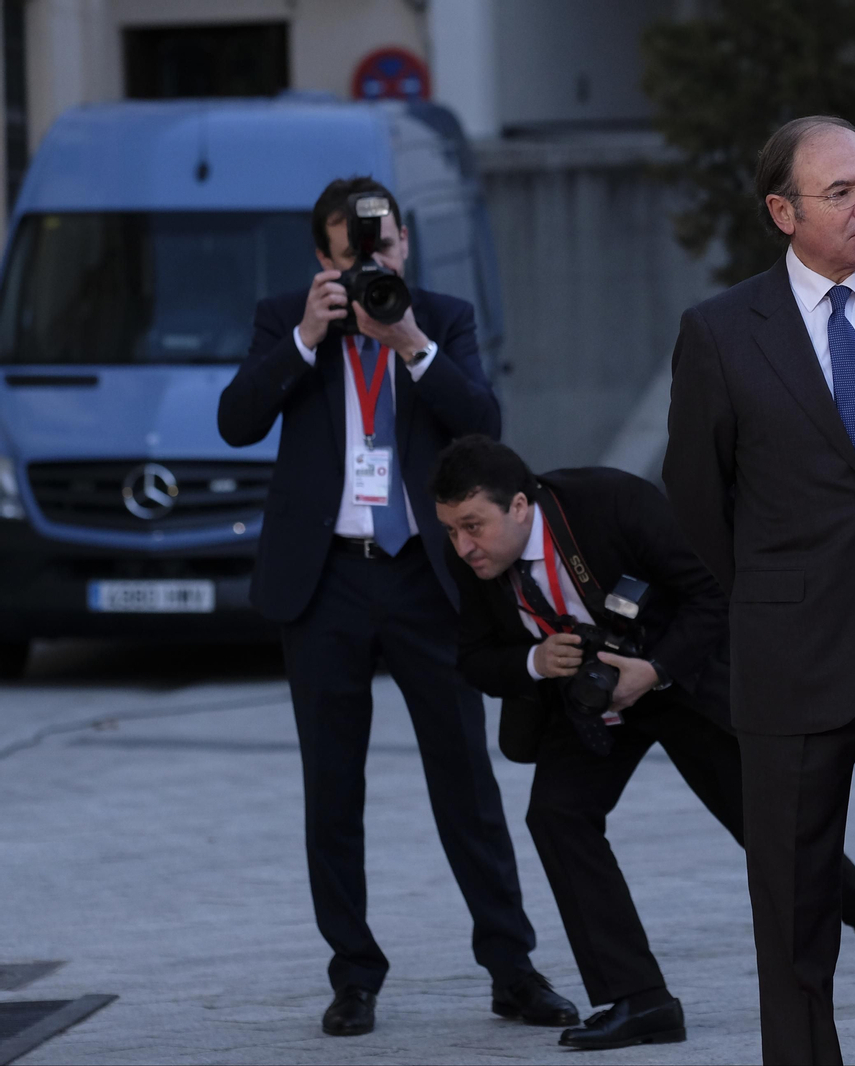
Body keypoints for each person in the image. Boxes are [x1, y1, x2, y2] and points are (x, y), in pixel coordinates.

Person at [217, 176, 575, 1037]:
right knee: (332, 790)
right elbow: (235, 421)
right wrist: (307, 336)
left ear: (404, 244)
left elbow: (485, 421)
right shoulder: (286, 318)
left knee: (466, 782)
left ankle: (512, 968)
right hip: (326, 581)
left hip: (424, 579)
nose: (371, 265)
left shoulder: (440, 319)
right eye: (352, 254)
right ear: (323, 259)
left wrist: (408, 338)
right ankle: (354, 975)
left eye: (383, 248)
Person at [664, 115, 855, 1065]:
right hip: (791, 658)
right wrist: (779, 591)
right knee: (796, 912)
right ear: (782, 211)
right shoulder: (720, 334)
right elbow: (697, 501)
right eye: (841, 192)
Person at [430, 436, 855, 1052]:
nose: (462, 547)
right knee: (557, 815)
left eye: (472, 527)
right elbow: (475, 659)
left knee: (764, 830)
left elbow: (713, 590)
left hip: (681, 678)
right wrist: (535, 661)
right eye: (452, 531)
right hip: (587, 698)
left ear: (517, 505)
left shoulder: (609, 501)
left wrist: (657, 668)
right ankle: (641, 1000)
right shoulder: (479, 560)